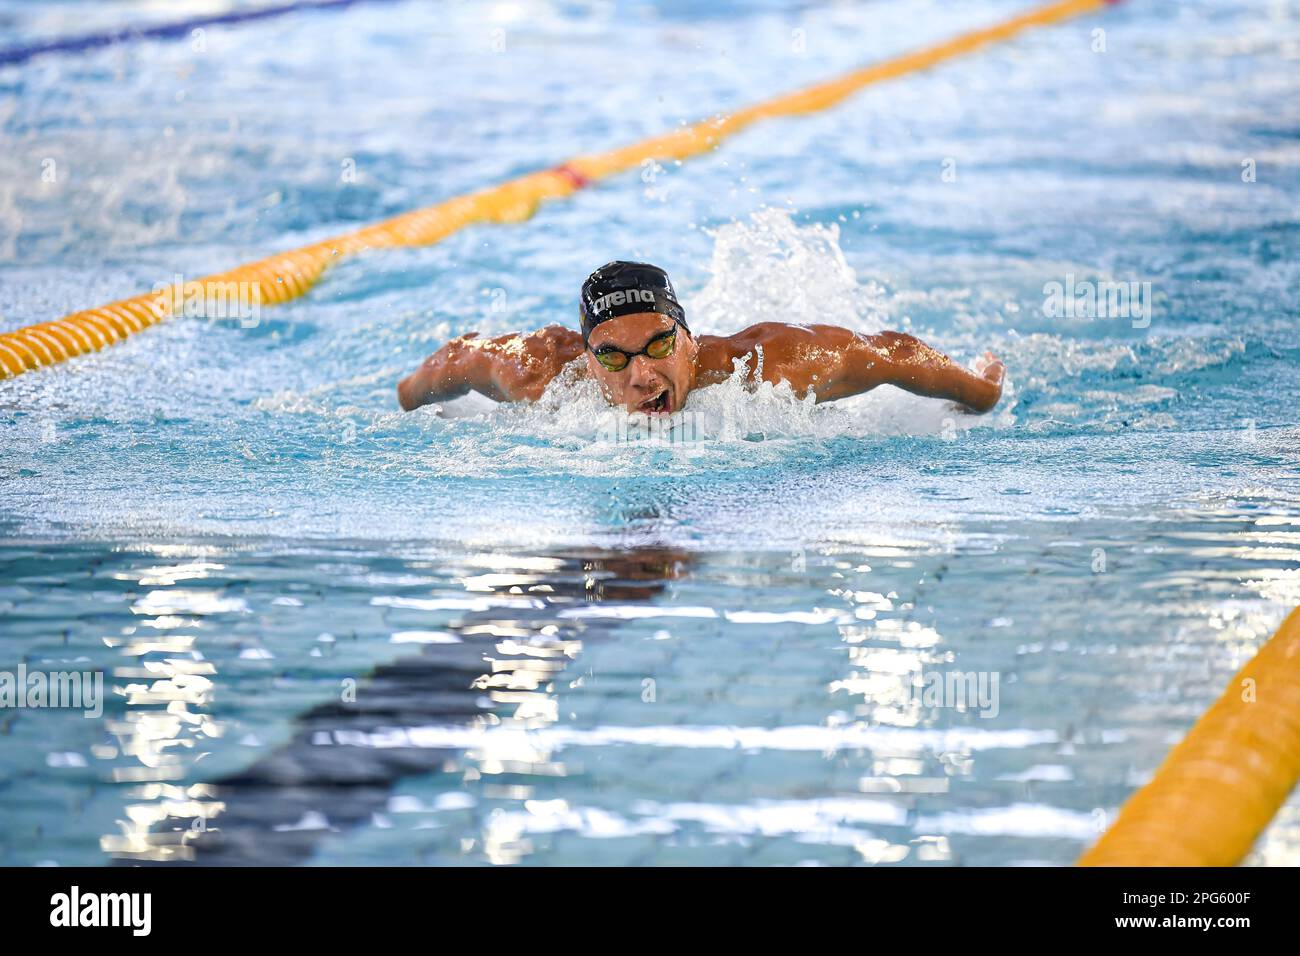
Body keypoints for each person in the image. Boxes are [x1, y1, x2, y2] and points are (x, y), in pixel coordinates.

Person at [397, 260, 1004, 416]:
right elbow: (455, 360)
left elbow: (888, 354)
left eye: (660, 345)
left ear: (689, 340)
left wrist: (978, 393)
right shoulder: (537, 374)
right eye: (614, 356)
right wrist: (410, 402)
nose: (642, 376)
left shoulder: (767, 368)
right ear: (589, 357)